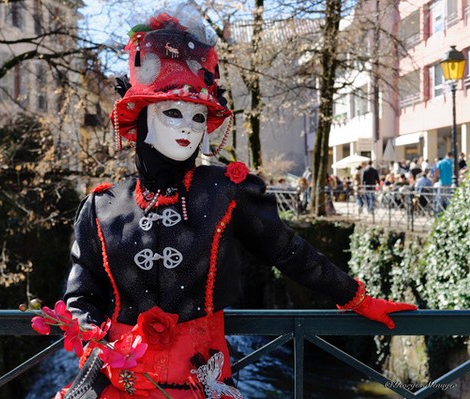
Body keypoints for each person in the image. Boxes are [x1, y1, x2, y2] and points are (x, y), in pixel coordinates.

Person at [58, 7, 416, 399]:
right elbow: (81, 295)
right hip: (120, 383)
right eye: (172, 112)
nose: (187, 128)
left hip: (201, 383)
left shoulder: (226, 191)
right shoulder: (103, 206)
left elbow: (288, 251)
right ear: (142, 119)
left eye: (198, 119)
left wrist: (355, 297)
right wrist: (95, 344)